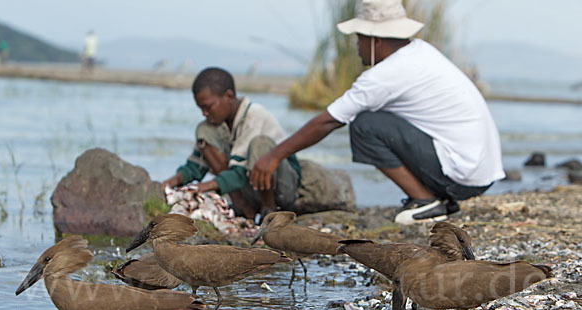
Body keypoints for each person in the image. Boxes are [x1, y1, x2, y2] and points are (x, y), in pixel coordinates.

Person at [249, 0, 505, 225]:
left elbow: (328, 121)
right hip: (478, 171)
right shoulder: (420, 51)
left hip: (462, 176)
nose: (357, 46)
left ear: (375, 40)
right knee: (374, 120)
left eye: (359, 38)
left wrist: (273, 156)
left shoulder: (385, 75)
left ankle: (425, 201)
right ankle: (438, 200)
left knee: (364, 125)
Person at [162, 67, 301, 221]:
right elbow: (196, 166)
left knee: (260, 145)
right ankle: (243, 207)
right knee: (204, 130)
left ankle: (269, 212)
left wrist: (204, 186)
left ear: (229, 96)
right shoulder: (217, 126)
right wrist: (172, 182)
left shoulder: (255, 116)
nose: (204, 113)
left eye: (208, 107)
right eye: (201, 108)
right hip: (250, 188)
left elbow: (241, 172)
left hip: (282, 189)